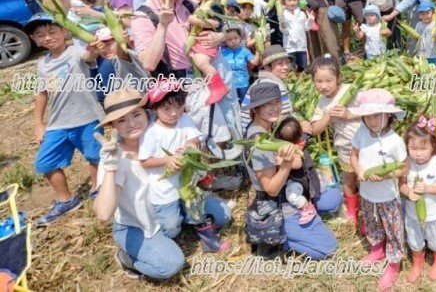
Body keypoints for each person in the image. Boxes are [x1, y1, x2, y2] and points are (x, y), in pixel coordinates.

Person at [93, 89, 185, 280]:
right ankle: (127, 258)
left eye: (136, 114)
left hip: (170, 205)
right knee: (170, 264)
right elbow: (103, 213)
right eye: (122, 120)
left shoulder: (159, 134)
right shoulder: (116, 157)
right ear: (113, 126)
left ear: (147, 113)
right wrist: (110, 168)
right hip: (139, 225)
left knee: (221, 216)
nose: (132, 124)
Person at [243, 82, 341, 260]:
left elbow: (290, 120)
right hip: (278, 202)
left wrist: (301, 121)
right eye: (267, 104)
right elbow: (271, 188)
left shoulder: (267, 126)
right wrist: (287, 165)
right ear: (256, 109)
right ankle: (276, 238)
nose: (274, 108)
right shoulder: (260, 144)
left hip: (292, 189)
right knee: (329, 249)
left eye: (277, 102)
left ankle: (302, 223)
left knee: (335, 199)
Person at [27, 14, 105, 226]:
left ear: (65, 32)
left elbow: (89, 55)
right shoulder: (43, 64)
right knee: (45, 163)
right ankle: (66, 199)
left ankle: (96, 189)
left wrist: (93, 48)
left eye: (52, 31)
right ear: (35, 39)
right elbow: (41, 94)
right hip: (59, 123)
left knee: (95, 157)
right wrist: (38, 124)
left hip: (88, 119)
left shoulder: (75, 52)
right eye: (41, 35)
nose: (48, 37)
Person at [138, 80, 232, 252]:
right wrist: (166, 161)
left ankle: (208, 241)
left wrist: (190, 144)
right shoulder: (151, 133)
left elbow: (194, 138)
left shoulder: (185, 119)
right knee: (171, 226)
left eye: (179, 106)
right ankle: (168, 235)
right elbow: (144, 161)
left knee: (206, 212)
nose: (174, 113)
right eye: (167, 109)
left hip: (187, 184)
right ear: (154, 109)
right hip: (165, 190)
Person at [350, 88, 408, 291]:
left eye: (377, 116)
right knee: (372, 223)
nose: (372, 121)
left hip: (388, 196)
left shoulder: (395, 141)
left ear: (388, 115)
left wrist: (385, 176)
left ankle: (394, 262)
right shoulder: (361, 133)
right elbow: (354, 155)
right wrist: (358, 171)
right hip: (367, 194)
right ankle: (377, 249)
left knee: (393, 229)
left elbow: (403, 169)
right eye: (367, 116)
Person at [308, 56, 361, 226]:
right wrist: (328, 115)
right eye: (318, 81)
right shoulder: (322, 102)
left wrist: (348, 114)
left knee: (367, 180)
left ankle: (367, 212)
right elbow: (315, 128)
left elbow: (371, 110)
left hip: (365, 146)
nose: (323, 85)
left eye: (329, 80)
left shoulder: (350, 91)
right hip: (345, 148)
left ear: (338, 78)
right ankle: (352, 211)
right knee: (349, 180)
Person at [400, 115, 436, 283]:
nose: (418, 153)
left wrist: (427, 189)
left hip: (433, 215)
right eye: (413, 148)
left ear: (433, 145)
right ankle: (417, 262)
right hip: (412, 214)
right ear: (407, 147)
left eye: (423, 148)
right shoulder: (407, 163)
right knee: (414, 241)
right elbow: (401, 184)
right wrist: (408, 192)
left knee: (435, 240)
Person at [187, 0, 229, 104]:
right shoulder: (201, 4)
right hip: (200, 41)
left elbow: (216, 22)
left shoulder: (214, 5)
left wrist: (196, 20)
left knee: (201, 62)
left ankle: (219, 87)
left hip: (207, 40)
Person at [274, 117, 318, 225]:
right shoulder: (287, 142)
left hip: (297, 182)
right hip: (290, 179)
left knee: (292, 196)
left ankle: (308, 208)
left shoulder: (296, 148)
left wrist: (284, 162)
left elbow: (298, 163)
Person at [220, 26, 260, 103]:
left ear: (240, 38)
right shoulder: (222, 52)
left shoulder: (244, 51)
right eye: (229, 39)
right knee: (231, 105)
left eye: (235, 38)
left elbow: (254, 62)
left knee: (245, 104)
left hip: (243, 84)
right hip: (228, 85)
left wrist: (258, 50)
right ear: (225, 41)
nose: (233, 41)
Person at [278, 0, 313, 72]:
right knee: (291, 68)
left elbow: (306, 28)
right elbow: (284, 31)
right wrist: (282, 22)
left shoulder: (302, 14)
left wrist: (310, 20)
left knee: (303, 67)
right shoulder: (282, 14)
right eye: (289, 0)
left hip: (301, 45)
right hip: (289, 46)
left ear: (298, 0)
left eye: (294, 0)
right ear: (283, 2)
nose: (292, 3)